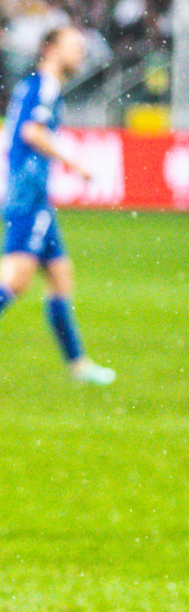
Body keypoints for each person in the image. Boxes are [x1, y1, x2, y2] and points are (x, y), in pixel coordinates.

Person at [1, 25, 115, 384]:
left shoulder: (36, 85)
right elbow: (30, 133)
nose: (80, 54)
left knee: (60, 277)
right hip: (27, 196)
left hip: (35, 196)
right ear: (50, 48)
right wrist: (73, 162)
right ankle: (78, 364)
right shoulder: (45, 85)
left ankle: (78, 365)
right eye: (74, 47)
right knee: (16, 280)